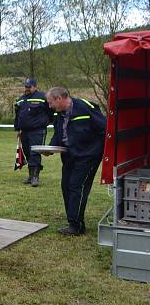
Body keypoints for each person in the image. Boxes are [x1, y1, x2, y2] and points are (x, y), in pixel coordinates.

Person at [45, 87, 106, 235]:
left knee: (76, 187)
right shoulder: (58, 114)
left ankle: (76, 225)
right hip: (69, 156)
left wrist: (95, 152)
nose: (49, 106)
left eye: (50, 102)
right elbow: (59, 134)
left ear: (59, 98)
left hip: (87, 157)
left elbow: (105, 130)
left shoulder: (86, 108)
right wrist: (50, 148)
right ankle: (73, 221)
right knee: (66, 186)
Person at [14, 78, 53, 187]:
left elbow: (51, 110)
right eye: (26, 86)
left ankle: (36, 177)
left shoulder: (42, 97)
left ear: (35, 87)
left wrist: (50, 121)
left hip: (38, 130)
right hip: (24, 131)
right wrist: (17, 129)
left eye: (29, 87)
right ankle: (30, 175)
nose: (27, 89)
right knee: (27, 152)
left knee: (35, 152)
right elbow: (17, 115)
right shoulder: (20, 100)